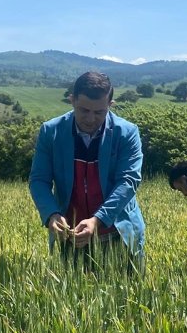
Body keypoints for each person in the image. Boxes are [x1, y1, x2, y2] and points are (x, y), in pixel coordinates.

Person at [29, 71, 145, 271]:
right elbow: (39, 180)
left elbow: (128, 181)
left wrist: (97, 220)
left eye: (99, 112)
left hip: (119, 232)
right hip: (71, 234)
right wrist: (52, 214)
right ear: (72, 100)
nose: (90, 119)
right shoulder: (51, 131)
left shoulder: (126, 133)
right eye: (84, 110)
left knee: (128, 298)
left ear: (110, 105)